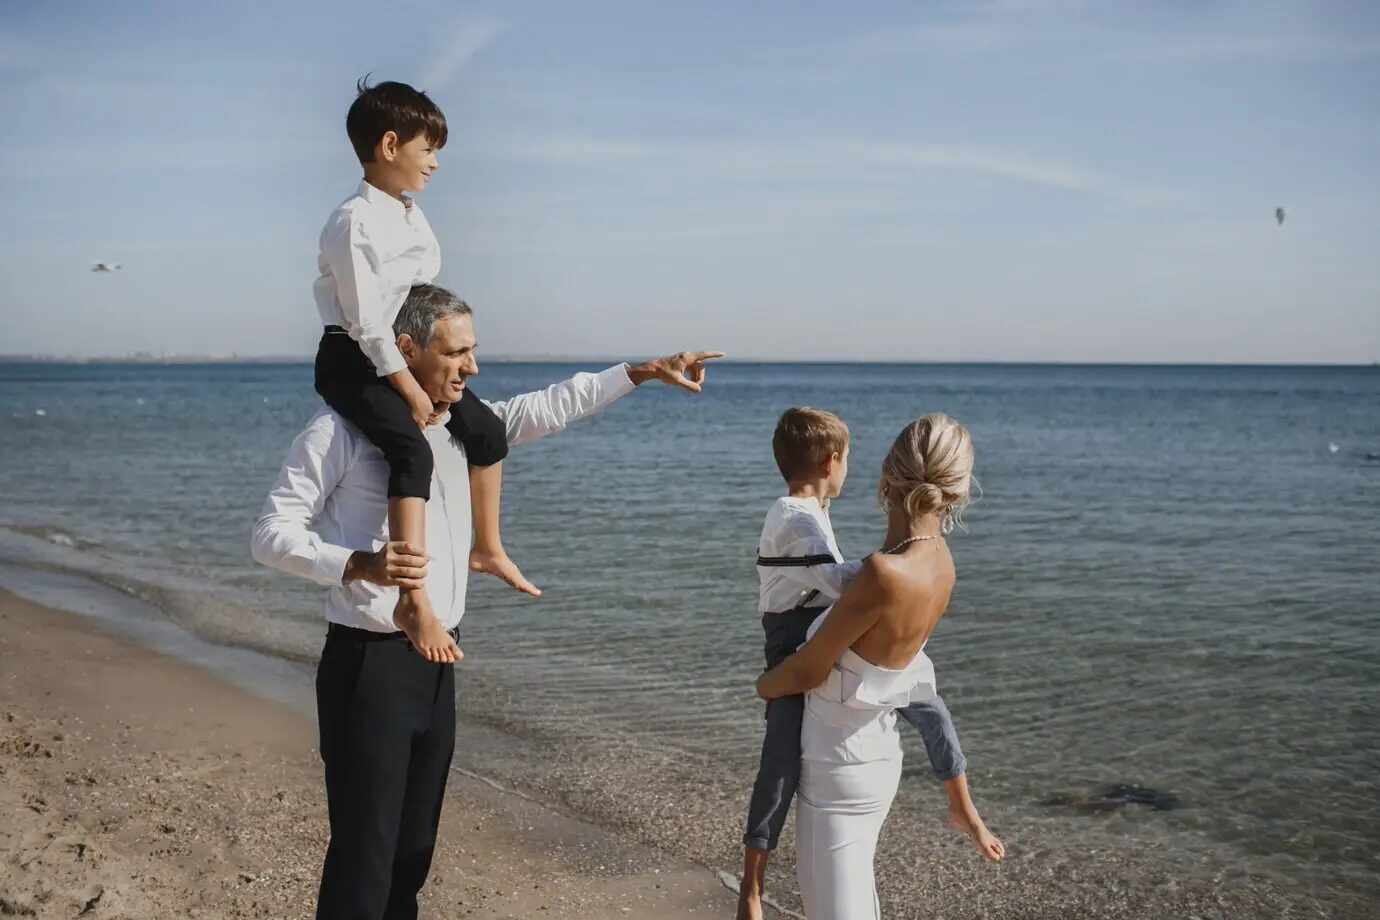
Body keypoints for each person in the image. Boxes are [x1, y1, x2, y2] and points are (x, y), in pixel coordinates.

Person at [252, 282, 723, 920]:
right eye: (457, 354)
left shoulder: (458, 427)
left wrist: (638, 372)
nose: (472, 368)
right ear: (406, 348)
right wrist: (358, 564)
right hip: (368, 668)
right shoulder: (337, 432)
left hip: (435, 665)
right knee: (366, 855)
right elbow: (270, 536)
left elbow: (550, 406)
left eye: (475, 351)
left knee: (413, 853)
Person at [737, 408, 1001, 918]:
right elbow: (910, 679)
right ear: (953, 490)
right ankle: (962, 807)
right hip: (882, 755)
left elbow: (806, 671)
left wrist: (763, 687)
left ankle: (752, 881)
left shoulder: (880, 574)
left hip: (838, 769)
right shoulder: (940, 561)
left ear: (887, 474)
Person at [312, 77, 530, 668]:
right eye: (427, 148)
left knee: (485, 432)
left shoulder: (411, 216)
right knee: (413, 452)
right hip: (356, 360)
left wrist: (441, 360)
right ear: (389, 145)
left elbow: (419, 297)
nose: (435, 162)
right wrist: (408, 387)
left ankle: (485, 548)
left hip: (405, 351)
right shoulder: (353, 221)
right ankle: (412, 599)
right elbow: (364, 322)